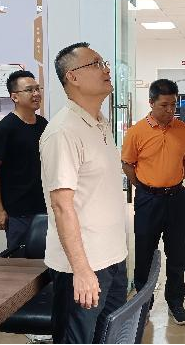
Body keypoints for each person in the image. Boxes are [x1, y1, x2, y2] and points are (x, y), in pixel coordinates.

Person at [40, 42, 127, 344]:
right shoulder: (63, 132)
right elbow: (61, 206)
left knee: (108, 337)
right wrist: (81, 270)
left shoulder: (100, 123)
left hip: (113, 258)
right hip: (83, 267)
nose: (106, 69)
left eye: (104, 63)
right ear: (73, 77)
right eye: (96, 64)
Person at [121, 79, 185, 326]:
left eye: (173, 104)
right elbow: (127, 164)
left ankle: (176, 302)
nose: (170, 110)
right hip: (148, 200)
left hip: (176, 199)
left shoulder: (184, 130)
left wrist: (176, 179)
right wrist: (144, 187)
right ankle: (143, 305)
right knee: (144, 253)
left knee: (177, 254)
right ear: (151, 103)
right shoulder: (136, 132)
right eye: (164, 105)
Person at [0, 70, 48, 250]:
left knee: (47, 260)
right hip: (17, 211)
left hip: (44, 207)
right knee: (19, 261)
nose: (36, 94)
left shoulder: (43, 124)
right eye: (29, 90)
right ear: (15, 97)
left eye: (37, 89)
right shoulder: (6, 128)